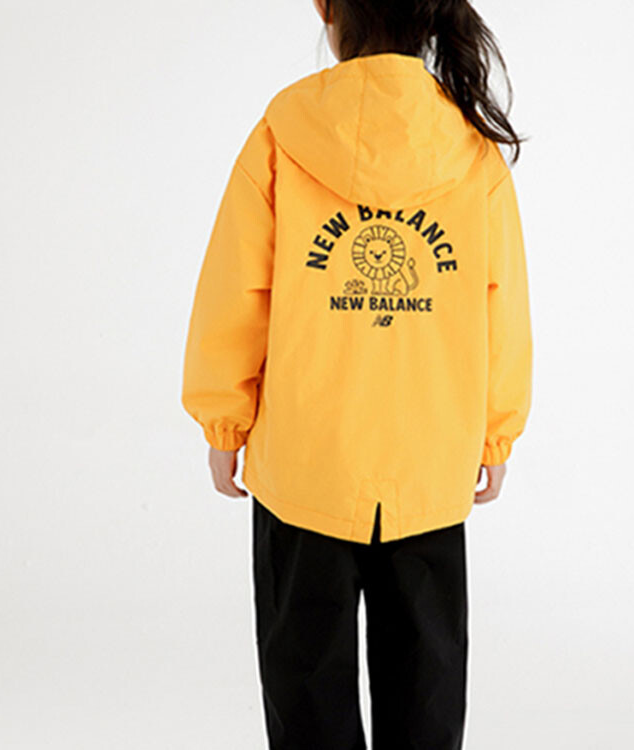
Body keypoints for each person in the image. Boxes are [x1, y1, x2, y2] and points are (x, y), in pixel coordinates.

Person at [181, 0, 533, 747]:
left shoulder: (284, 132)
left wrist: (225, 423)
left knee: (305, 687)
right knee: (427, 691)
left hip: (304, 465)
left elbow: (237, 290)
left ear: (328, 9)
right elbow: (501, 307)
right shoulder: (470, 147)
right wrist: (495, 434)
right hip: (428, 467)